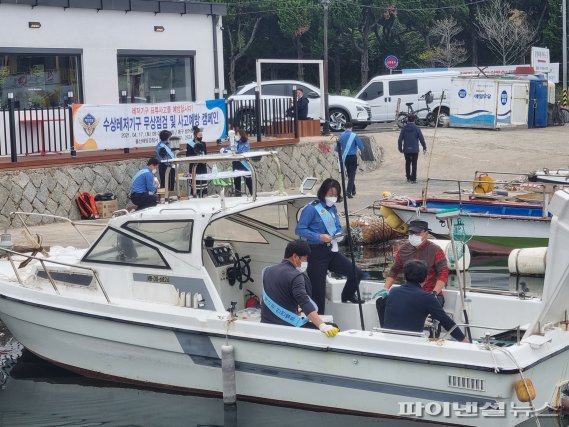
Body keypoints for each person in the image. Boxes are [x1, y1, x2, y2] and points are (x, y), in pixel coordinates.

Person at [295, 178, 363, 314]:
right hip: (316, 253)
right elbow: (300, 230)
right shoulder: (311, 209)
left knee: (356, 273)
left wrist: (339, 234)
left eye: (335, 195)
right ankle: (318, 321)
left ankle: (347, 295)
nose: (333, 197)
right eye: (330, 194)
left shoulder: (332, 208)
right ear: (323, 193)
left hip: (331, 250)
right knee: (318, 292)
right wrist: (319, 236)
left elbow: (337, 226)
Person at [261, 240, 339, 337]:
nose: (305, 263)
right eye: (304, 259)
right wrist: (322, 326)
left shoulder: (267, 271)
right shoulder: (296, 276)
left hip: (265, 325)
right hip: (287, 327)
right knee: (333, 326)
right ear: (295, 257)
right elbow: (304, 302)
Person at [383, 260, 469, 343]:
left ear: (405, 277)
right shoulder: (428, 298)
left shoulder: (393, 291)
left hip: (389, 339)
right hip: (411, 342)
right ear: (425, 278)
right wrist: (464, 340)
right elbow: (446, 321)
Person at [384, 219, 448, 300]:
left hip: (430, 293)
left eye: (417, 233)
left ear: (426, 233)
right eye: (411, 232)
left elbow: (443, 273)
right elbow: (394, 270)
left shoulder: (436, 250)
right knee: (382, 302)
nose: (414, 235)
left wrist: (434, 293)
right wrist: (385, 289)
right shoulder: (403, 250)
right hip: (409, 293)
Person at [335, 122, 365, 198]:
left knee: (349, 174)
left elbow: (336, 148)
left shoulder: (341, 136)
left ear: (344, 128)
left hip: (345, 158)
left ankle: (353, 190)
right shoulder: (354, 135)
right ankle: (348, 191)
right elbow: (362, 147)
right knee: (352, 175)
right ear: (351, 128)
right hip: (352, 157)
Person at [398, 115, 426, 183]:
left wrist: (400, 148)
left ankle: (408, 177)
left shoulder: (404, 128)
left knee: (407, 163)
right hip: (414, 150)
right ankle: (413, 179)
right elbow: (421, 139)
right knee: (414, 164)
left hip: (406, 149)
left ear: (407, 120)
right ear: (414, 120)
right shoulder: (417, 128)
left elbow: (400, 139)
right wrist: (424, 147)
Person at [186, 127, 208, 197]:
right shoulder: (189, 144)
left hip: (202, 167)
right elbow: (188, 156)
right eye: (199, 136)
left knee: (203, 186)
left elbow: (205, 154)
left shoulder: (203, 143)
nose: (200, 137)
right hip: (194, 167)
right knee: (195, 186)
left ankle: (204, 197)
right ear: (195, 136)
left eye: (201, 136)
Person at [231, 128, 253, 196]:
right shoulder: (235, 142)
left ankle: (253, 193)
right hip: (236, 162)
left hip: (243, 163)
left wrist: (235, 152)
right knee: (237, 180)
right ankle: (238, 195)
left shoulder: (246, 143)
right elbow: (230, 147)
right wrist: (224, 149)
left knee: (248, 180)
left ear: (241, 135)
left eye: (237, 134)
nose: (236, 136)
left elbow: (243, 152)